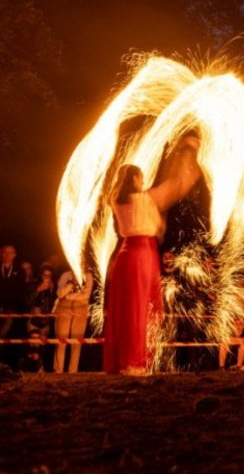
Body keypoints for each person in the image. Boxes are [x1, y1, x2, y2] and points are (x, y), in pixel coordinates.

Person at [104, 136, 201, 375]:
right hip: (142, 255)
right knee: (139, 310)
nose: (143, 182)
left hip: (125, 253)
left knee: (125, 310)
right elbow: (176, 186)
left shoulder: (116, 201)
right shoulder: (144, 199)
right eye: (141, 178)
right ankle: (133, 362)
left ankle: (120, 362)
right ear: (136, 179)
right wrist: (187, 153)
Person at [54, 267, 92, 373]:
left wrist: (68, 297)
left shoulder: (88, 276)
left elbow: (85, 295)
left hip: (80, 308)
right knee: (61, 340)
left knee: (76, 342)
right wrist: (71, 283)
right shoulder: (65, 275)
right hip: (63, 308)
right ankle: (58, 370)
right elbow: (60, 293)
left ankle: (73, 371)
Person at [0, 244, 25, 342]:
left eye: (10, 253)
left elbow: (20, 289)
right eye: (5, 252)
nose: (7, 255)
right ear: (1, 254)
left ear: (14, 255)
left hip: (11, 307)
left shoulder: (19, 270)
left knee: (4, 333)